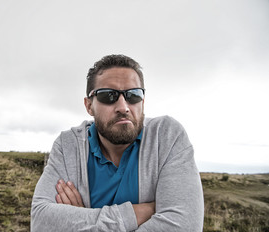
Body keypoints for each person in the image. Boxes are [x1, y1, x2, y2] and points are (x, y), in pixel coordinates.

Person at [31, 54, 204, 231]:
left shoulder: (167, 136)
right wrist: (136, 214)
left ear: (142, 102)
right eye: (108, 95)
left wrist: (84, 219)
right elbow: (40, 222)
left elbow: (185, 226)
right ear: (89, 105)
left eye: (133, 95)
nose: (123, 107)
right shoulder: (68, 145)